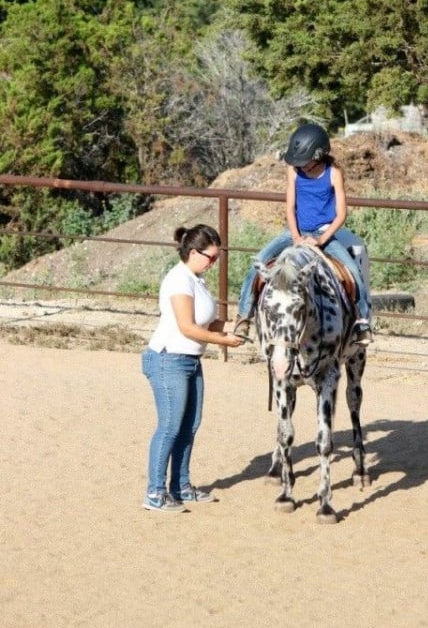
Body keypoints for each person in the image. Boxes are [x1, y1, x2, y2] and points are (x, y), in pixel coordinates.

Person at [235, 123, 373, 346]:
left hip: (322, 233)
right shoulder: (293, 171)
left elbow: (341, 214)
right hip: (295, 232)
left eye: (305, 162)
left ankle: (362, 322)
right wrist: (297, 237)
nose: (302, 166)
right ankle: (244, 315)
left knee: (353, 271)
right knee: (258, 262)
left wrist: (322, 239)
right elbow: (290, 207)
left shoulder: (334, 173)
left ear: (319, 155)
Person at [142, 223, 244, 513]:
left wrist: (234, 325)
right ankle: (155, 492)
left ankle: (180, 486)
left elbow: (204, 321)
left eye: (217, 259)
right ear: (192, 251)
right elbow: (187, 327)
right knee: (170, 427)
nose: (213, 263)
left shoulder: (196, 279)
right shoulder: (179, 280)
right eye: (210, 257)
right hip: (169, 359)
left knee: (189, 426)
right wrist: (224, 340)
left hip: (189, 360)